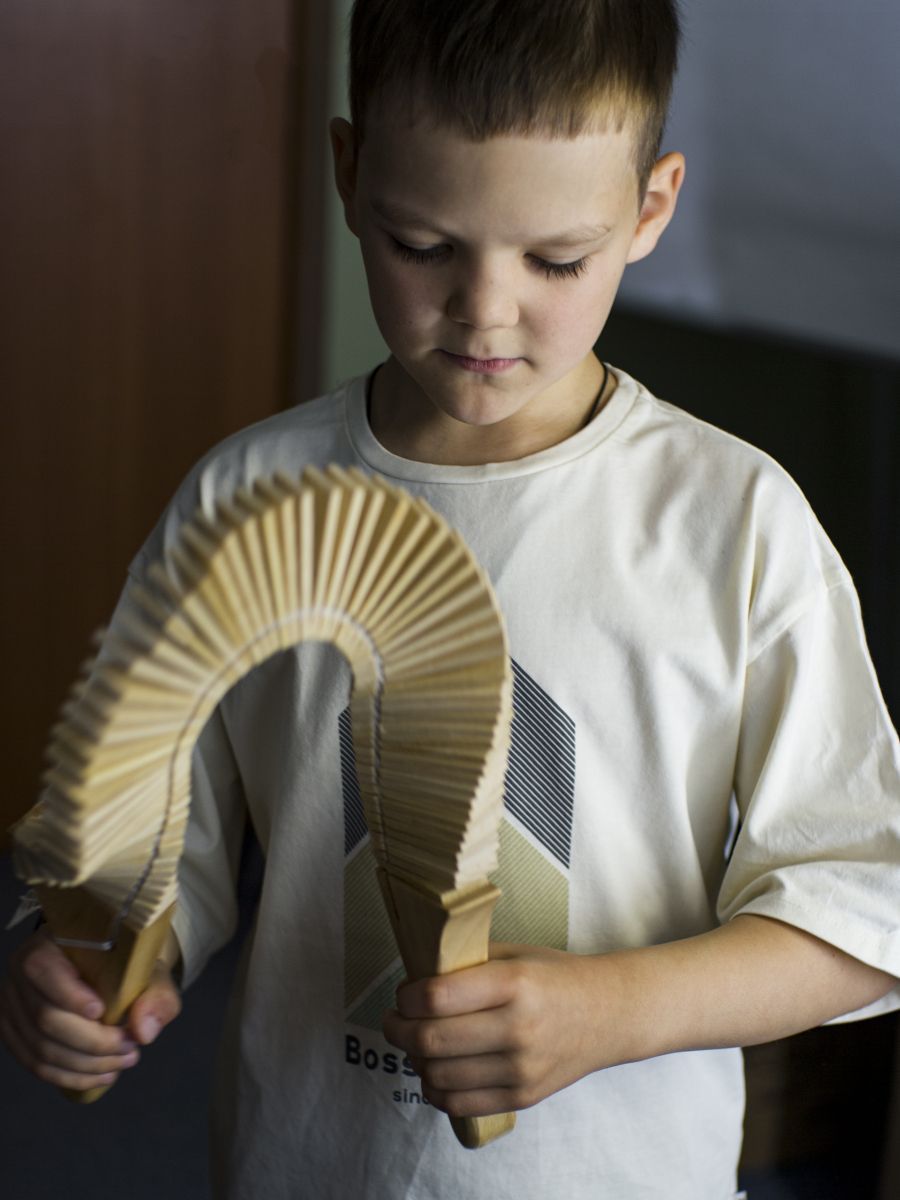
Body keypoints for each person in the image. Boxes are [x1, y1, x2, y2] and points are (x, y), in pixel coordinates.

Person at [3, 1, 899, 1196]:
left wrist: (614, 1010)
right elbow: (167, 845)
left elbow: (863, 909)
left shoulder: (734, 525)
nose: (484, 310)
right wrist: (89, 963)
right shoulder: (248, 500)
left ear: (650, 208)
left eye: (555, 260)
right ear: (349, 173)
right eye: (422, 245)